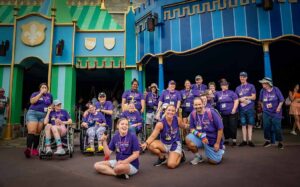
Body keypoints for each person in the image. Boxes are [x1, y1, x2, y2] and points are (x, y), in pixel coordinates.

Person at [141, 104, 187, 169]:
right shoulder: (160, 124)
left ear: (175, 112)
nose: (170, 112)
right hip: (164, 144)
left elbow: (183, 126)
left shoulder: (177, 119)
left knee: (171, 165)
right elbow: (152, 136)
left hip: (175, 144)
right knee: (150, 145)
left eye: (173, 111)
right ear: (165, 111)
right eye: (169, 110)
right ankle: (162, 157)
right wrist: (146, 143)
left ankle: (181, 154)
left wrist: (191, 127)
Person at [186, 97, 225, 165]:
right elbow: (191, 129)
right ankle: (198, 157)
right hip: (201, 138)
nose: (198, 106)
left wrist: (217, 143)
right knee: (188, 138)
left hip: (212, 139)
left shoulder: (211, 112)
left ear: (203, 104)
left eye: (199, 104)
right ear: (193, 105)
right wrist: (201, 136)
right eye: (196, 105)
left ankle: (221, 149)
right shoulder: (193, 114)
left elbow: (220, 129)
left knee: (213, 162)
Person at [24, 83, 53, 158]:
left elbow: (51, 104)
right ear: (40, 88)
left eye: (45, 87)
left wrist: (50, 108)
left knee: (38, 132)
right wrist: (40, 93)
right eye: (42, 87)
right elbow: (32, 102)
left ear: (47, 89)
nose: (44, 88)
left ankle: (34, 149)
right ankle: (28, 149)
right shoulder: (35, 93)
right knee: (32, 131)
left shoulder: (50, 96)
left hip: (43, 115)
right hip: (33, 113)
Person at [259, 77, 284, 149]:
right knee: (266, 127)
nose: (262, 84)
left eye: (263, 82)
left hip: (276, 112)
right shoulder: (262, 91)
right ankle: (267, 141)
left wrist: (279, 107)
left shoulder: (276, 89)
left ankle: (280, 142)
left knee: (277, 128)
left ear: (268, 83)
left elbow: (281, 100)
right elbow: (260, 100)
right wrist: (263, 108)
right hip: (266, 112)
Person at [235, 72, 256, 147]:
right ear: (239, 78)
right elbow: (236, 99)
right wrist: (240, 99)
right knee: (243, 125)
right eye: (241, 77)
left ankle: (250, 140)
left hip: (250, 108)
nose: (242, 78)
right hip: (242, 109)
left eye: (244, 77)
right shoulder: (237, 88)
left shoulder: (251, 86)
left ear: (246, 77)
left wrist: (246, 97)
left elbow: (254, 97)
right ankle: (244, 140)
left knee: (250, 124)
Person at [215, 79, 239, 146]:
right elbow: (214, 99)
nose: (224, 86)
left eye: (225, 85)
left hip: (232, 113)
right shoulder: (218, 93)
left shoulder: (231, 92)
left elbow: (236, 100)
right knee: (225, 126)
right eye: (222, 85)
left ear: (227, 86)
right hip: (223, 113)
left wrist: (234, 109)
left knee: (232, 126)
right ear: (221, 86)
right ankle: (226, 139)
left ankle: (234, 140)